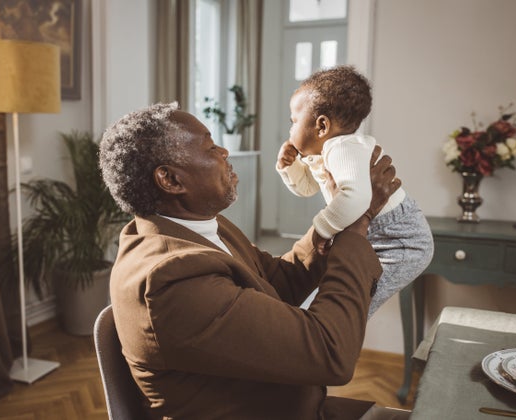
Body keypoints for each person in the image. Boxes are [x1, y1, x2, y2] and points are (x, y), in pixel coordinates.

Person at [99, 102, 409, 419]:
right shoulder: (171, 279)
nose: (224, 152)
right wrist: (358, 225)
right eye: (209, 147)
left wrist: (336, 216)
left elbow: (275, 280)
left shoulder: (196, 226)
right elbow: (330, 352)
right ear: (171, 179)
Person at [276, 65, 434, 317]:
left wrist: (320, 231)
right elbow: (306, 188)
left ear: (321, 126)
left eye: (294, 121)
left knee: (350, 309)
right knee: (334, 304)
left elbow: (356, 199)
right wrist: (290, 167)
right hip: (376, 235)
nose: (290, 130)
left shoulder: (342, 148)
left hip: (399, 240)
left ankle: (324, 345)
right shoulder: (331, 150)